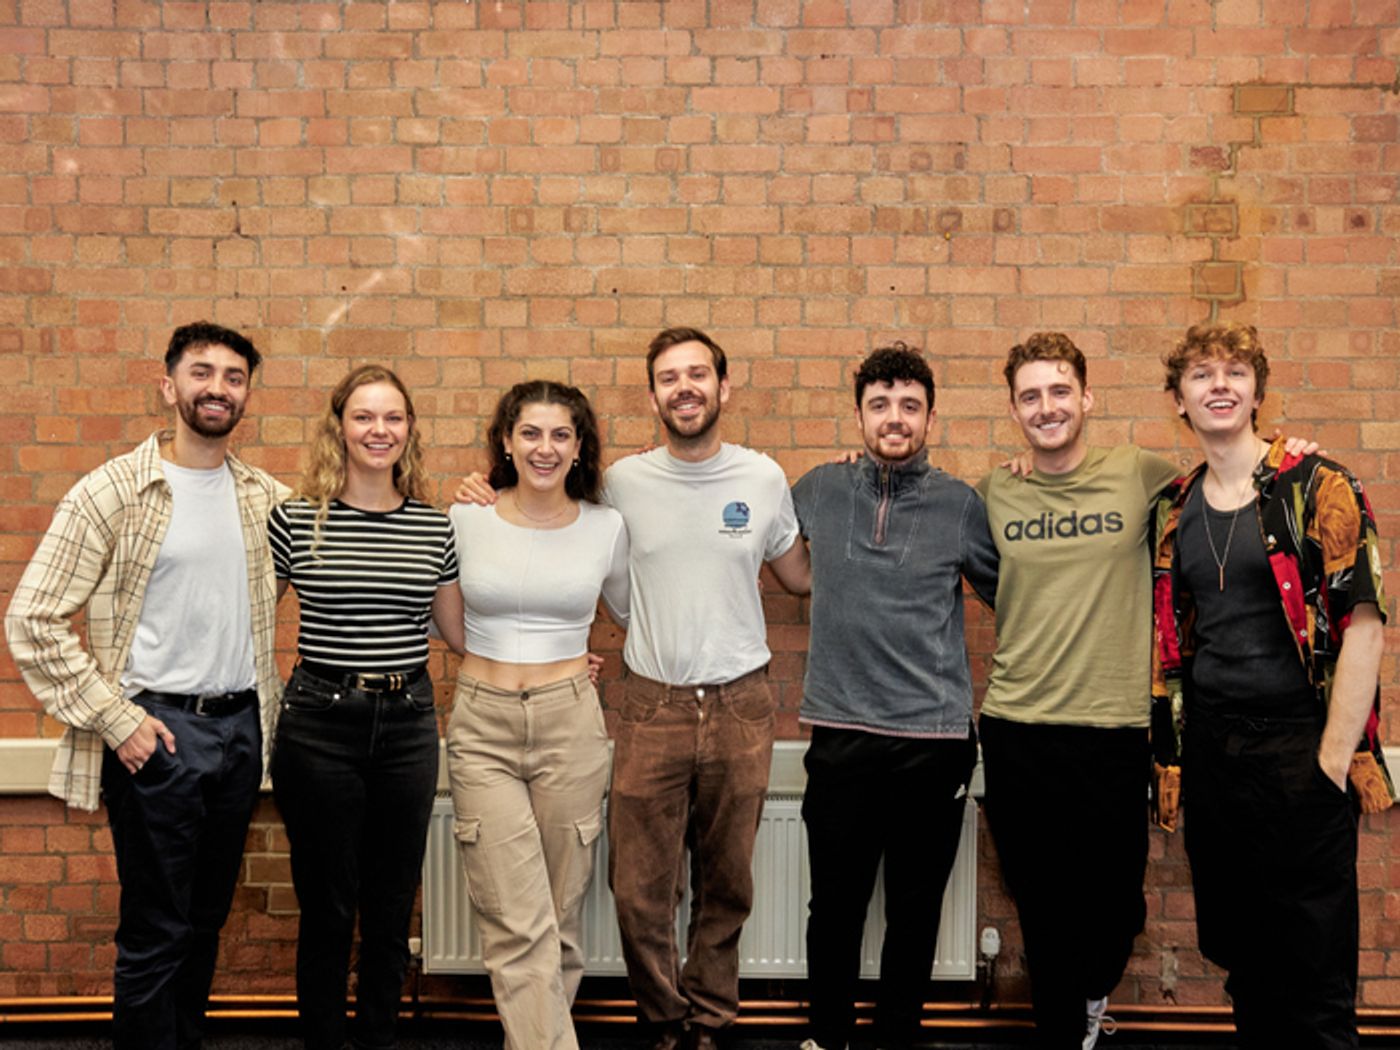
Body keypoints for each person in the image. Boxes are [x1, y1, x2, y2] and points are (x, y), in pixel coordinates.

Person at [457, 327, 810, 1050]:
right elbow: (590, 575)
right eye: (669, 378)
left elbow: (800, 575)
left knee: (727, 883)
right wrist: (482, 486)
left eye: (698, 375)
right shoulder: (620, 487)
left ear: (723, 386)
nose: (685, 388)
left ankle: (710, 1020)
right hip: (652, 702)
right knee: (640, 888)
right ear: (652, 395)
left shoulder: (763, 478)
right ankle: (663, 1020)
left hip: (742, 701)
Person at [5, 322, 285, 1050]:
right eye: (201, 372)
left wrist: (481, 497)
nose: (217, 387)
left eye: (233, 376)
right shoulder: (112, 492)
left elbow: (349, 534)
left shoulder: (262, 498)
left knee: (204, 921)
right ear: (169, 387)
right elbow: (31, 620)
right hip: (154, 732)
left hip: (240, 731)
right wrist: (114, 718)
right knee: (157, 926)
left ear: (247, 394)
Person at [1151, 322, 1389, 1050]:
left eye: (1234, 371)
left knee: (1314, 982)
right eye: (1200, 374)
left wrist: (1330, 762)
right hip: (1218, 761)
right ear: (1178, 399)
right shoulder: (1173, 507)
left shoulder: (1319, 486)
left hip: (1301, 755)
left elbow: (1365, 625)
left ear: (1256, 389)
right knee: (1247, 970)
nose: (1218, 384)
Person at [791, 342, 998, 1050]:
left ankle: (896, 1038)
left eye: (910, 405)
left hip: (933, 744)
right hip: (840, 736)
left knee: (914, 913)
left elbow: (1013, 595)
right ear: (859, 414)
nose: (894, 417)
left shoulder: (962, 505)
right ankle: (827, 1036)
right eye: (880, 404)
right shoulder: (818, 488)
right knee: (836, 909)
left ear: (930, 418)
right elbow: (741, 533)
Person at [977, 333, 1180, 1050]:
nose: (1047, 407)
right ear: (1014, 409)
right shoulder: (996, 490)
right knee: (1040, 905)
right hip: (1017, 724)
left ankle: (1092, 995)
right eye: (1030, 396)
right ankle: (1065, 1034)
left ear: (1087, 398)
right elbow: (976, 570)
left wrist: (1287, 453)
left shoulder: (1140, 474)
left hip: (1113, 725)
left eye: (1060, 391)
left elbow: (1226, 482)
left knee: (1117, 906)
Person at [268, 365, 463, 1050]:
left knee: (389, 908)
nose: (379, 430)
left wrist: (558, 655)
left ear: (409, 430)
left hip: (408, 724)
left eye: (393, 418)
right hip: (319, 724)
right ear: (340, 428)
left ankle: (378, 1038)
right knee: (327, 906)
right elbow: (243, 617)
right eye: (364, 417)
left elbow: (464, 635)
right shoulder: (294, 519)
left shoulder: (434, 529)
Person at [445, 380, 629, 1050]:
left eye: (560, 435)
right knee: (517, 920)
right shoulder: (466, 517)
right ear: (506, 439)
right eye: (530, 433)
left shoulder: (607, 527)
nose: (544, 448)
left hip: (570, 724)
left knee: (559, 917)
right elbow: (447, 623)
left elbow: (638, 616)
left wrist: (566, 665)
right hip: (482, 724)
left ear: (579, 447)